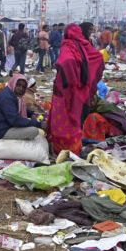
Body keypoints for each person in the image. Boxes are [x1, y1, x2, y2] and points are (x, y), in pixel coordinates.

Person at [46, 22, 104, 155]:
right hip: (79, 90)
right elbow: (97, 57)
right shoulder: (83, 45)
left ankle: (62, 149)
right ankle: (74, 149)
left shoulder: (68, 45)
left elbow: (66, 62)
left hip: (65, 90)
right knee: (74, 120)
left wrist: (71, 79)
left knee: (64, 121)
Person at [0, 74, 42, 140]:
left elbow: (15, 108)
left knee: (29, 126)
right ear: (13, 83)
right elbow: (15, 120)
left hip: (5, 125)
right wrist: (38, 124)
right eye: (18, 85)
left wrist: (31, 113)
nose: (21, 89)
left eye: (23, 87)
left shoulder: (12, 94)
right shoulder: (7, 97)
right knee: (33, 131)